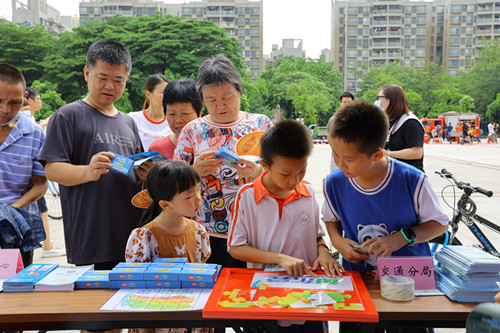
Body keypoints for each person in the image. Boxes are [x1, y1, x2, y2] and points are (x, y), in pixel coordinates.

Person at [324, 101, 449, 333]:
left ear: (377, 154)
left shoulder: (411, 180)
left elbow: (440, 224)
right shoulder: (335, 183)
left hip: (408, 282)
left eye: (348, 159)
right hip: (359, 281)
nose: (340, 164)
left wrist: (401, 238)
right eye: (334, 154)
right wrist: (339, 242)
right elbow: (330, 218)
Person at [40, 39, 150, 270]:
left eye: (118, 80)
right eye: (103, 78)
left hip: (131, 237)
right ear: (87, 73)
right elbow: (52, 169)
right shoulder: (68, 116)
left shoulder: (128, 122)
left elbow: (137, 169)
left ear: (126, 80)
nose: (110, 86)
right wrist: (87, 171)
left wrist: (146, 173)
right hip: (91, 238)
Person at [228, 119, 341, 333]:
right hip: (266, 298)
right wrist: (280, 259)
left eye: (302, 171)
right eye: (286, 174)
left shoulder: (307, 193)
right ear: (265, 165)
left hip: (308, 297)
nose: (294, 180)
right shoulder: (247, 197)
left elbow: (316, 236)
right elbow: (236, 248)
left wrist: (324, 252)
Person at [174, 54, 273, 268]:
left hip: (256, 232)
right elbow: (171, 183)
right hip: (205, 233)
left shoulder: (262, 125)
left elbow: (286, 174)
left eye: (227, 97)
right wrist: (194, 171)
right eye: (211, 100)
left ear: (239, 91)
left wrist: (258, 173)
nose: (220, 106)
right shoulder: (192, 130)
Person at [0, 63, 47, 267]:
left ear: (25, 97)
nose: (5, 110)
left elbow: (40, 184)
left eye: (15, 102)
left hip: (17, 231)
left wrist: (10, 211)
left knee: (16, 292)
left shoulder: (35, 134)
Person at [126, 161, 210, 263]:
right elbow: (136, 275)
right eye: (189, 196)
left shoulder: (199, 231)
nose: (198, 199)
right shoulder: (145, 237)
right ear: (165, 205)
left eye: (198, 190)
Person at [26, 86, 66, 258]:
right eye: (39, 98)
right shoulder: (27, 119)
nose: (41, 101)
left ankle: (47, 245)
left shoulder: (32, 121)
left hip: (34, 177)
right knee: (41, 209)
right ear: (29, 99)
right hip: (31, 178)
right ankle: (47, 246)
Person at [376, 84, 425, 172]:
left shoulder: (411, 122)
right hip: (391, 173)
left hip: (409, 175)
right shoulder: (387, 120)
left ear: (391, 101)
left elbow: (416, 153)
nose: (377, 101)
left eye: (380, 98)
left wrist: (388, 154)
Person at [149, 79, 203, 159]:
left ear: (199, 113)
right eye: (172, 114)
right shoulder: (156, 150)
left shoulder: (212, 145)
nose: (178, 120)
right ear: (165, 114)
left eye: (185, 114)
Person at [128, 75, 171, 151]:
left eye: (168, 93)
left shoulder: (172, 122)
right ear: (148, 94)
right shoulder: (131, 119)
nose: (167, 96)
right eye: (163, 92)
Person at [328, 91, 355, 173]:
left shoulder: (358, 119)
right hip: (338, 157)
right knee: (337, 180)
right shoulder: (334, 120)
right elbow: (329, 138)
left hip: (354, 157)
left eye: (349, 102)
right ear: (340, 104)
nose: (346, 104)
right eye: (344, 102)